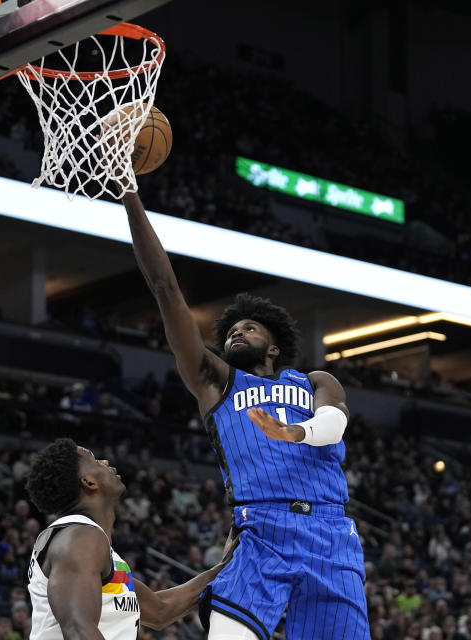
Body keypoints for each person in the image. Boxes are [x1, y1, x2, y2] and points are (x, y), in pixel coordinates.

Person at [122, 189, 370, 639]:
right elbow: (165, 288)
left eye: (248, 328)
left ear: (273, 347)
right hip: (260, 532)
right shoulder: (216, 382)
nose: (236, 332)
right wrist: (131, 198)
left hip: (331, 534)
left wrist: (292, 431)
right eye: (231, 330)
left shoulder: (315, 382)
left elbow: (334, 424)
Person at [24, 438, 234, 640]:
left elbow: (162, 610)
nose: (105, 462)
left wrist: (229, 565)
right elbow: (79, 631)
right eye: (96, 461)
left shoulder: (90, 544)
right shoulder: (79, 539)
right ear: (89, 482)